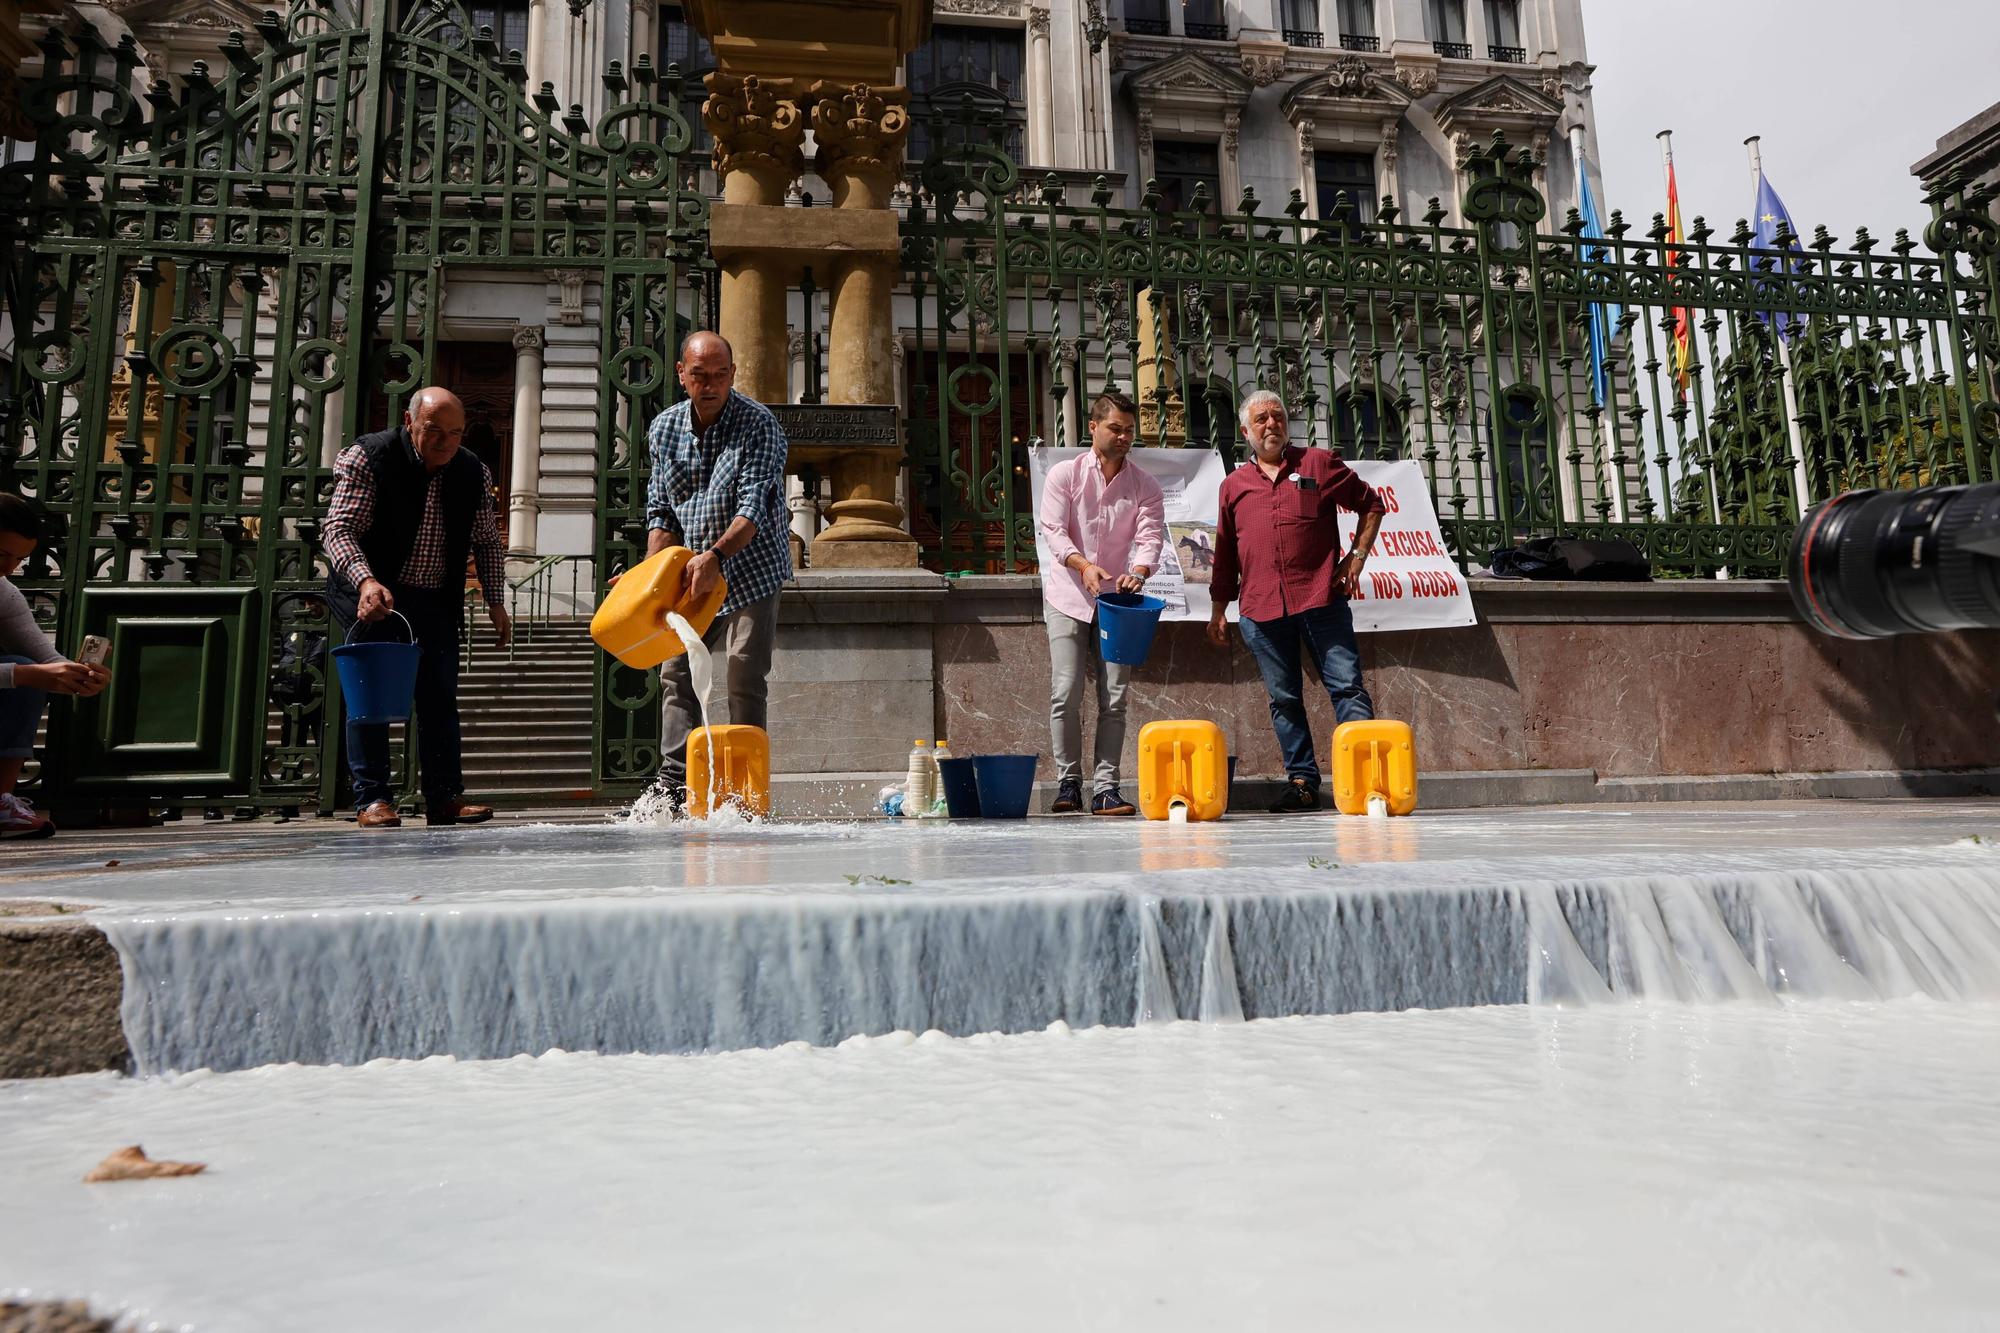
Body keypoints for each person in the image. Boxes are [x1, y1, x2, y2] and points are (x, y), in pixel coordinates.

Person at [321, 387, 512, 829]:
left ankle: (444, 798)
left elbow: (485, 539)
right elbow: (339, 529)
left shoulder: (473, 470)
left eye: (456, 433)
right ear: (410, 423)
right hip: (373, 594)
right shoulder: (367, 457)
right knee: (370, 698)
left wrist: (495, 599)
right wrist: (366, 581)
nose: (446, 442)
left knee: (439, 698)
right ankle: (373, 799)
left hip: (436, 598)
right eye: (434, 431)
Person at [1207, 390, 1386, 813]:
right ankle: (1302, 781)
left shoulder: (1319, 464)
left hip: (1322, 598)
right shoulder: (1232, 487)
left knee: (1347, 689)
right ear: (1246, 432)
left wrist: (1356, 558)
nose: (1272, 424)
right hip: (1260, 610)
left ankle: (1367, 779)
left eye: (1278, 416)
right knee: (1283, 699)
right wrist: (1218, 609)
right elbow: (1226, 553)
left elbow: (1372, 504)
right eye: (1261, 419)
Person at [643, 331, 790, 811]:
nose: (710, 385)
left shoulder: (759, 425)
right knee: (676, 673)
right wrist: (649, 578)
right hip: (692, 570)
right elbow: (661, 511)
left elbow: (754, 507)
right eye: (700, 375)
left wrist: (716, 557)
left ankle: (748, 792)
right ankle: (672, 786)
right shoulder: (663, 428)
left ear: (733, 374)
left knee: (744, 674)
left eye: (720, 375)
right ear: (682, 374)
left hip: (750, 565)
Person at [1037, 390, 1165, 815]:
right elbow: (1053, 530)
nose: (1124, 436)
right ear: (1093, 427)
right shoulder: (1065, 475)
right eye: (1115, 428)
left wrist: (1140, 571)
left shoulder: (1144, 484)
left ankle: (1106, 788)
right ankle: (1068, 783)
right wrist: (1083, 565)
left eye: (1130, 430)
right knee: (1065, 691)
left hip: (1117, 602)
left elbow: (1150, 537)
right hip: (1067, 595)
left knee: (1115, 695)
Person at [0, 492, 109, 839]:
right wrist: (26, 674)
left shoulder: (3, 591)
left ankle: (1, 801)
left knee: (25, 671)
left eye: (18, 559)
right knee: (22, 672)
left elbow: (44, 659)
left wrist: (75, 676)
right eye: (2, 554)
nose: (8, 569)